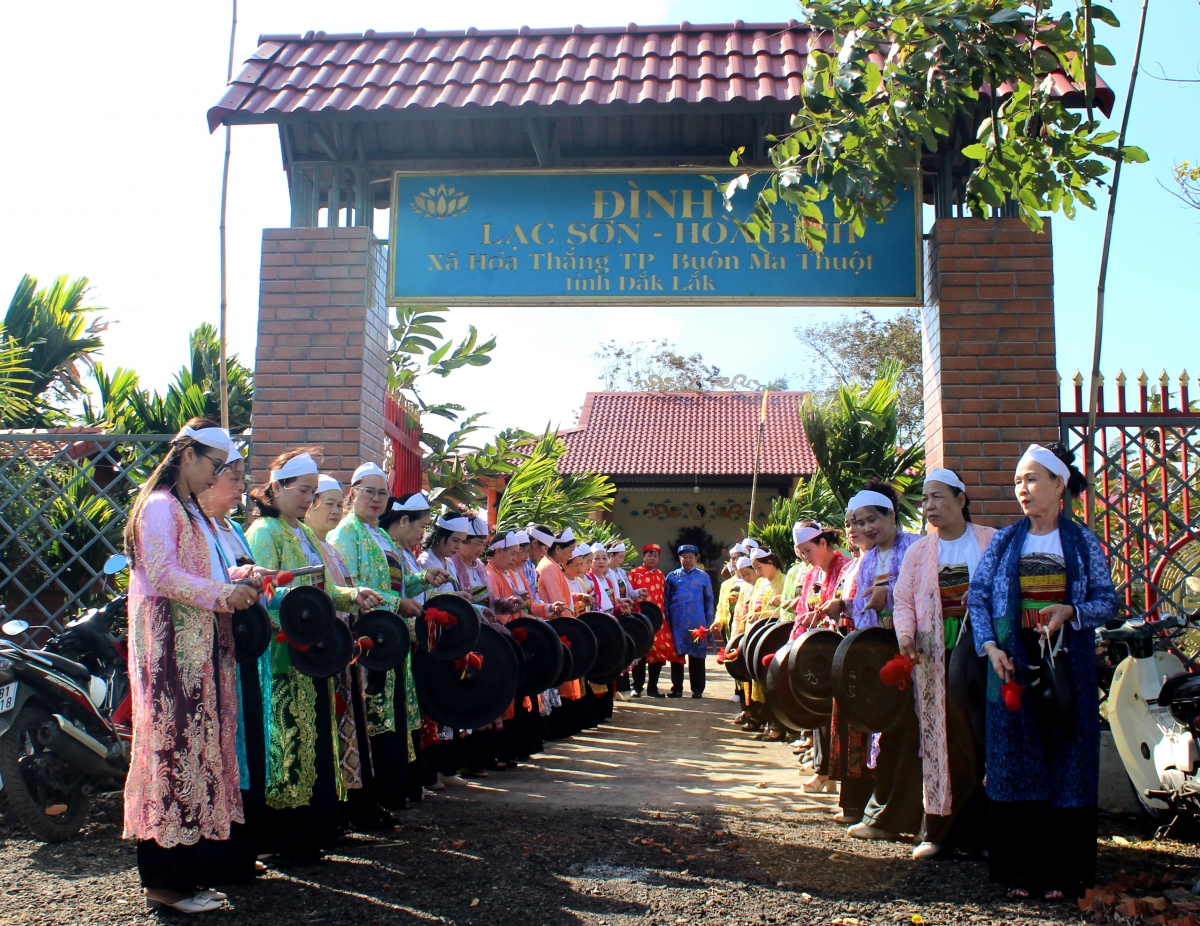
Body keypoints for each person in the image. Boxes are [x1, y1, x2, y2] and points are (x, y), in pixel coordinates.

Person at [968, 444, 1117, 900]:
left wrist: (1070, 611)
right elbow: (977, 597)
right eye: (1018, 481)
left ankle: (1061, 874)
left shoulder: (1081, 541)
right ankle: (1020, 872)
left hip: (1064, 664)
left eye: (1033, 480)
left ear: (1059, 484)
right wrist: (989, 646)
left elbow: (1107, 602)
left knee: (1066, 757)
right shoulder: (1006, 541)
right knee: (1015, 760)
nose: (1023, 490)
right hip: (1011, 663)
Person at [123, 421, 259, 913]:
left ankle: (188, 876)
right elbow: (162, 574)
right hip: (172, 650)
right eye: (214, 466)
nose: (216, 476)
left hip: (199, 649)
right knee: (172, 752)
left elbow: (200, 571)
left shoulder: (190, 511)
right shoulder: (161, 507)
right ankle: (164, 882)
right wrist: (225, 593)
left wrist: (240, 577)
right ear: (187, 456)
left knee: (194, 754)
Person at [245, 450, 380, 864]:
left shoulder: (302, 533)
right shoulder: (264, 532)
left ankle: (319, 829)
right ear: (278, 488)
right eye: (303, 491)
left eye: (310, 491)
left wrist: (351, 595)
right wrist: (300, 597)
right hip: (283, 655)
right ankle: (287, 837)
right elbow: (262, 594)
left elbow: (323, 587)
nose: (308, 499)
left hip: (317, 653)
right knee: (288, 743)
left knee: (318, 740)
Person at [328, 466, 447, 810]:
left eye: (382, 494)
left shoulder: (379, 535)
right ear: (353, 492)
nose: (376, 499)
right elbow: (352, 591)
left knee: (393, 715)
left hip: (392, 639)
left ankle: (395, 792)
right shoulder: (346, 535)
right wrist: (398, 603)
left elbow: (400, 582)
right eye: (369, 491)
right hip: (368, 643)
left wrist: (425, 578)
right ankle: (371, 798)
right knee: (373, 718)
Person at [892, 468, 996, 859]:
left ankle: (987, 833)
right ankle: (940, 831)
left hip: (985, 656)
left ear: (961, 500)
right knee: (945, 739)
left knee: (983, 736)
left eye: (937, 497)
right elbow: (903, 600)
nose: (929, 506)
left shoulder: (991, 542)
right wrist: (906, 634)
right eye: (924, 499)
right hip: (937, 657)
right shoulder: (920, 552)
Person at [844, 481, 923, 842]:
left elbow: (926, 593)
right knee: (892, 732)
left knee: (918, 735)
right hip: (886, 657)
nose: (864, 529)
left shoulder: (917, 547)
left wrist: (888, 594)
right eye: (858, 523)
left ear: (891, 514)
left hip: (920, 652)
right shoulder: (868, 560)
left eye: (871, 519)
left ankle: (913, 817)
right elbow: (863, 615)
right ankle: (884, 817)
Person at [787, 521, 852, 794]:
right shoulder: (812, 574)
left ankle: (832, 773)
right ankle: (823, 769)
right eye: (800, 551)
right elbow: (802, 613)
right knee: (819, 712)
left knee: (836, 716)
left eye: (807, 549)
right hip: (815, 655)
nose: (804, 555)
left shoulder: (847, 568)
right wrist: (791, 646)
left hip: (840, 652)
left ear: (823, 543)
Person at [828, 508, 876, 824]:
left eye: (859, 523)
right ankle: (851, 802)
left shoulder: (880, 560)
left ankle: (866, 803)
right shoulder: (851, 566)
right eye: (848, 524)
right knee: (847, 725)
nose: (853, 530)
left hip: (870, 652)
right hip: (847, 648)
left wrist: (845, 606)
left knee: (866, 727)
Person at [741, 548, 787, 736]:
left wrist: (763, 615)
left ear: (770, 563)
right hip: (759, 639)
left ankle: (778, 725)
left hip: (777, 637)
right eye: (754, 568)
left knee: (775, 680)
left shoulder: (784, 581)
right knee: (760, 680)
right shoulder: (760, 583)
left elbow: (788, 611)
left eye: (759, 567)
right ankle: (766, 719)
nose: (757, 572)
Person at [663, 544, 714, 698]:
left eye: (690, 557)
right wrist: (667, 619)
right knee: (677, 656)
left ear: (696, 558)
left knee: (697, 656)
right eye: (684, 557)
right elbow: (665, 599)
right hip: (677, 622)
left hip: (697, 623)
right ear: (679, 558)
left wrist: (709, 622)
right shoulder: (672, 576)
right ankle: (677, 687)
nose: (687, 560)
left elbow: (709, 600)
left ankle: (697, 689)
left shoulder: (704, 577)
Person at [628, 544, 671, 697]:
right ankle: (637, 687)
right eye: (650, 555)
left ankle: (653, 688)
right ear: (643, 557)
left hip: (658, 621)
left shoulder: (661, 575)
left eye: (655, 556)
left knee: (658, 654)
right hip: (640, 621)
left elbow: (665, 598)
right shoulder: (634, 574)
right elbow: (628, 595)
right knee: (639, 653)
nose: (652, 558)